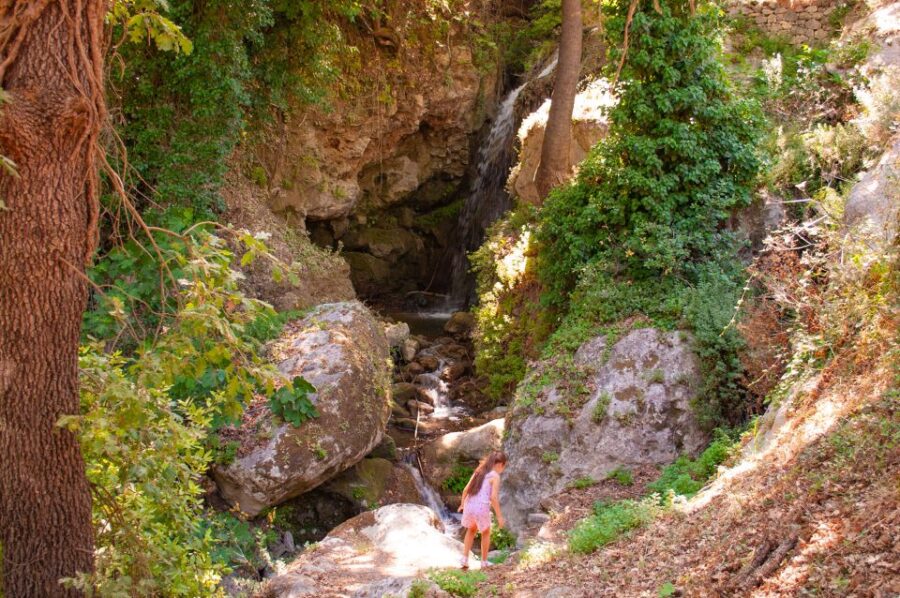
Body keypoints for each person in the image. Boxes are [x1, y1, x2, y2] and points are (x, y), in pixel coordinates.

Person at [458, 451, 507, 569]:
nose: (503, 469)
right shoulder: (495, 476)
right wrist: (499, 516)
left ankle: (464, 559)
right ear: (500, 464)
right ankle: (484, 562)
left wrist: (462, 505)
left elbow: (465, 489)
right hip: (481, 507)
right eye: (504, 466)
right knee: (486, 532)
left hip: (469, 504)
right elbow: (493, 498)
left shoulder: (479, 471)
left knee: (471, 530)